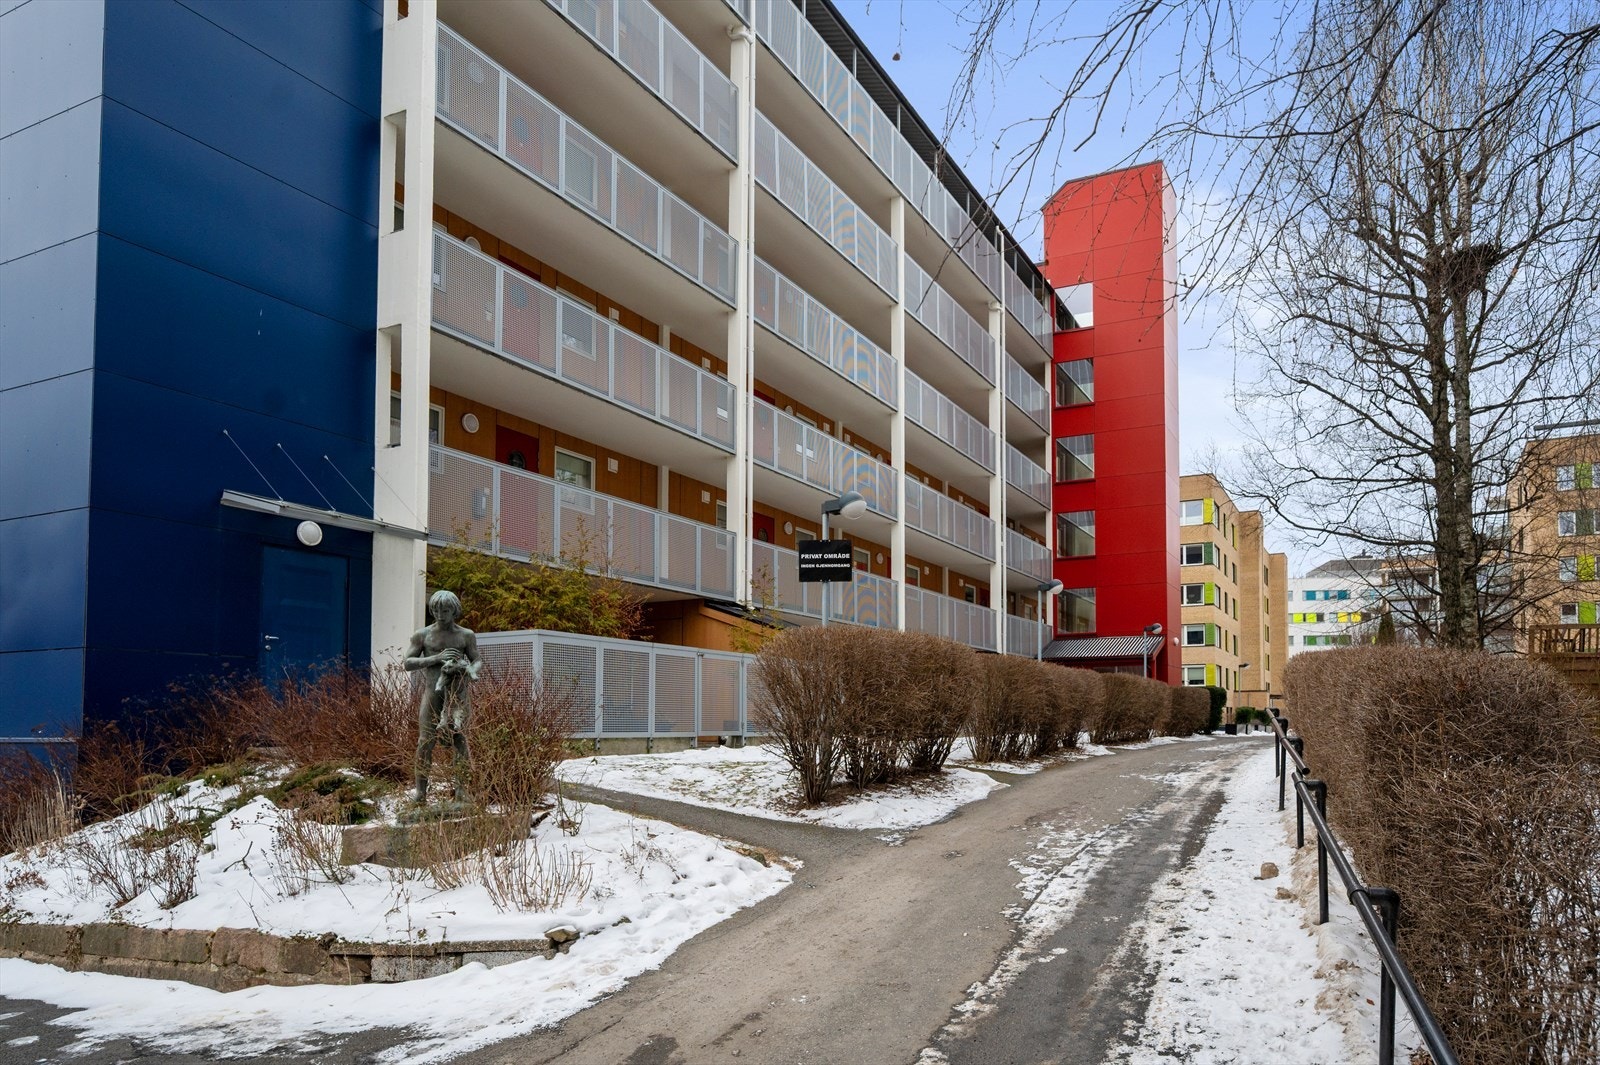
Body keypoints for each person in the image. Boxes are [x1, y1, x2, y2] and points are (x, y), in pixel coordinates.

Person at [404, 589, 482, 804]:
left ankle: (461, 791)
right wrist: (436, 658)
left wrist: (470, 670)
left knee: (460, 739)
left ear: (454, 610)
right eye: (436, 610)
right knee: (425, 741)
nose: (440, 614)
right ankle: (420, 793)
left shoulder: (466, 635)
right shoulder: (423, 635)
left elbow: (477, 659)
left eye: (445, 610)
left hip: (458, 693)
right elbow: (408, 663)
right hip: (432, 692)